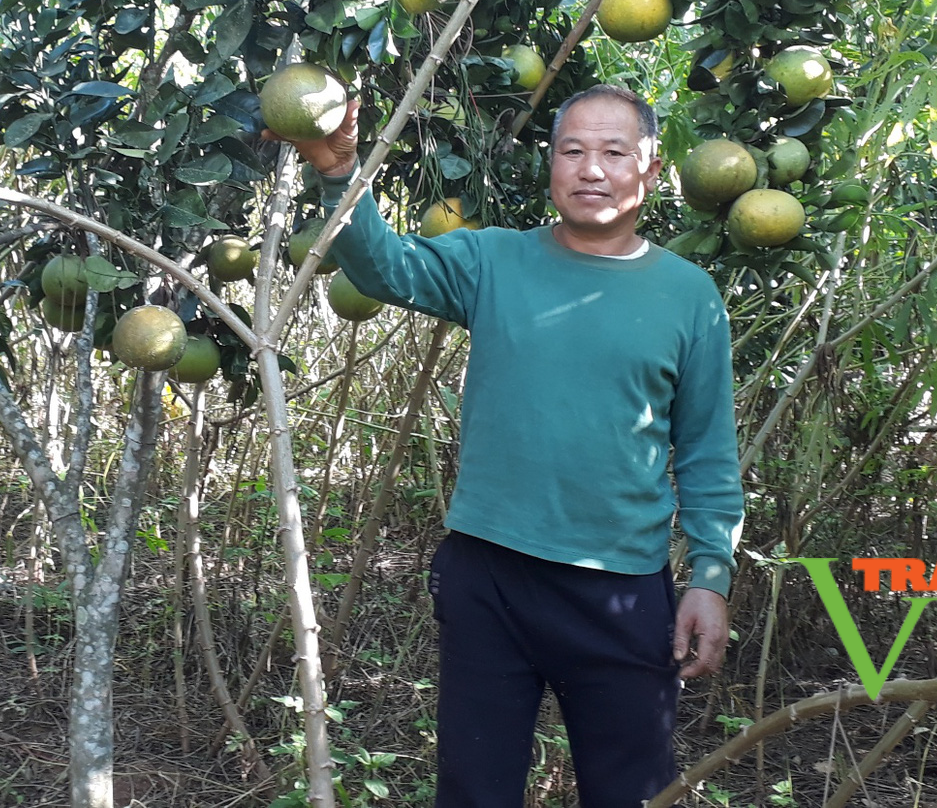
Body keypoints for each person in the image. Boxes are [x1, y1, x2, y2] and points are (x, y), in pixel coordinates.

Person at [267, 84, 744, 808]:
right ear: (550, 166)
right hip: (489, 577)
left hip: (618, 592)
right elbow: (382, 267)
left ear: (650, 171)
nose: (591, 169)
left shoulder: (688, 295)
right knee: (474, 790)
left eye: (614, 152)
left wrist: (710, 574)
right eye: (572, 151)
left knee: (633, 792)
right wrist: (339, 171)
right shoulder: (494, 261)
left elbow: (707, 452)